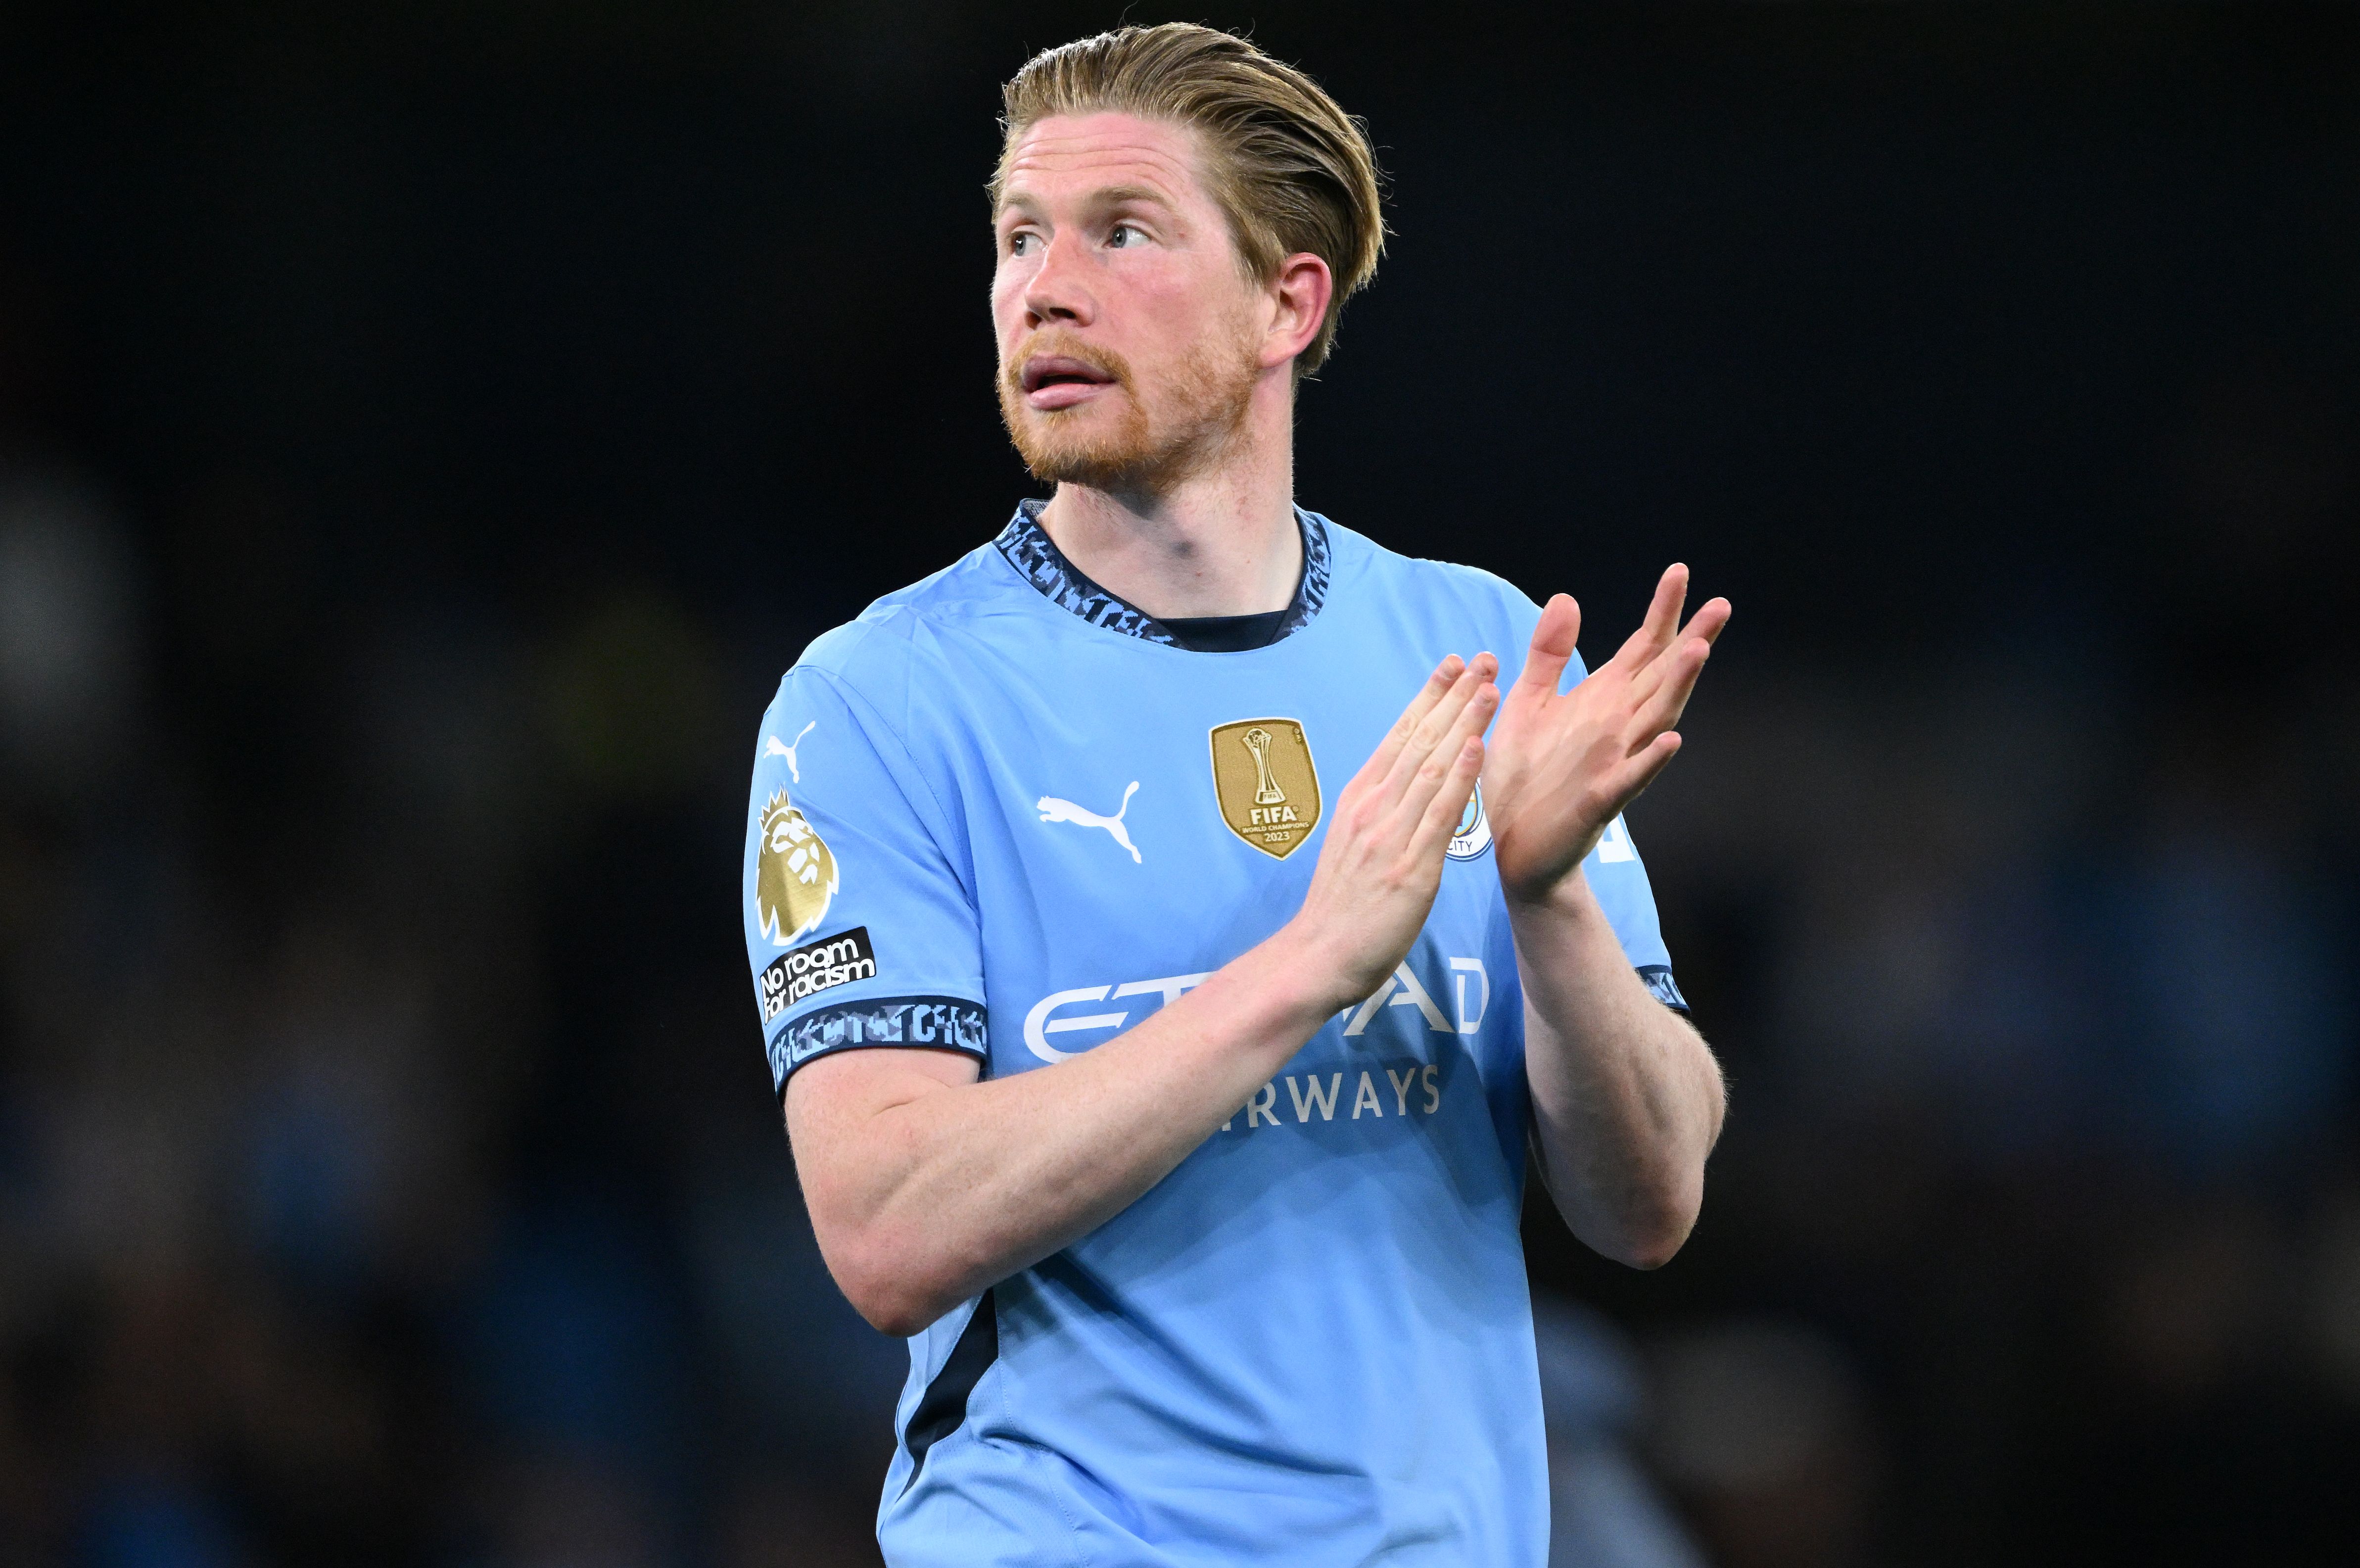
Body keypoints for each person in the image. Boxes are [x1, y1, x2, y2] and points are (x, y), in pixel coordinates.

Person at [740, 23, 1729, 1567]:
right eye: (1015, 235)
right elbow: (885, 1228)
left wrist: (1548, 909)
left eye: (1119, 231)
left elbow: (1650, 1197)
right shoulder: (879, 700)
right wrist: (1304, 968)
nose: (1041, 287)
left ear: (1289, 300)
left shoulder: (1471, 652)